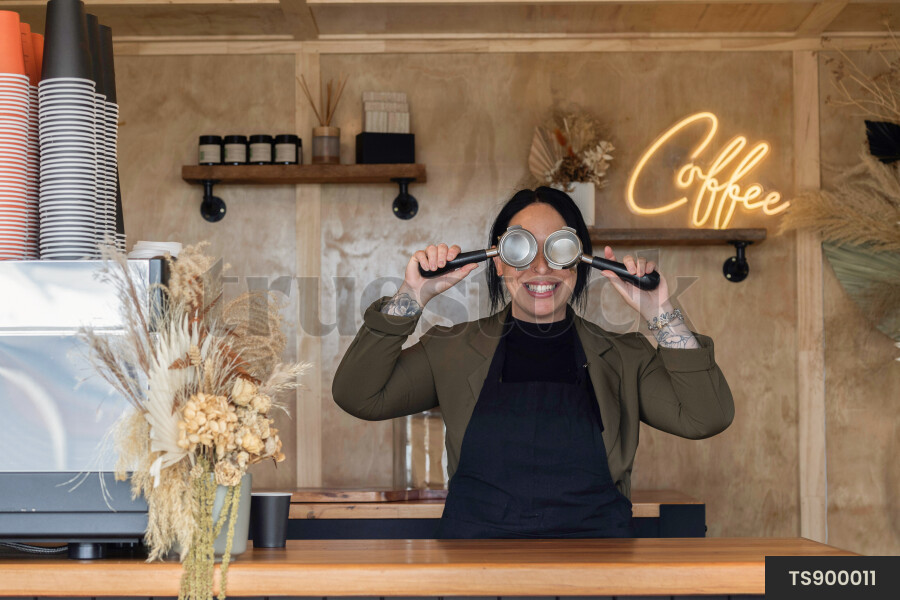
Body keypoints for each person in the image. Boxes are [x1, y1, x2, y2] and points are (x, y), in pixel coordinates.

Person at [333, 187, 734, 539]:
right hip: (474, 570)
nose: (541, 267)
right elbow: (358, 395)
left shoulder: (626, 356)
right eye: (520, 248)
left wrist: (660, 310)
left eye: (559, 249)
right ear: (499, 260)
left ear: (579, 260)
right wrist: (412, 294)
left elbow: (706, 416)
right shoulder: (450, 350)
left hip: (600, 570)